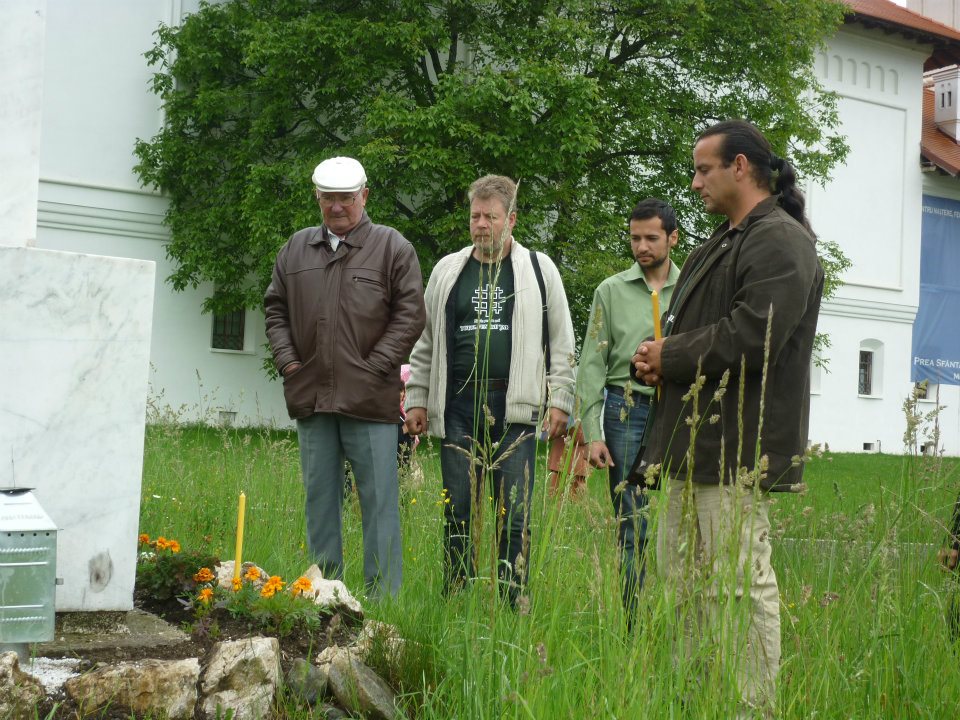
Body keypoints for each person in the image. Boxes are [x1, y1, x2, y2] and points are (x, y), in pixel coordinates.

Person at [630, 120, 824, 716]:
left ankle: (750, 709)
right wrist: (657, 360)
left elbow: (753, 334)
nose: (694, 184)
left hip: (737, 449)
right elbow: (703, 333)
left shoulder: (780, 240)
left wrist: (671, 355)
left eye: (703, 169)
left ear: (740, 167)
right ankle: (694, 704)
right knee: (684, 587)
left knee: (739, 587)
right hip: (694, 446)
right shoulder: (722, 242)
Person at [404, 174, 576, 604]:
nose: (481, 224)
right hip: (458, 406)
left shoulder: (539, 269)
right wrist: (418, 398)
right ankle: (455, 597)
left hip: (516, 408)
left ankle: (513, 601)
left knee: (514, 514)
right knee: (457, 510)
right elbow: (425, 341)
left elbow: (561, 342)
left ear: (511, 219)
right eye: (475, 216)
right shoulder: (447, 271)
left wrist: (560, 400)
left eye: (491, 217)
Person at [264, 156, 426, 598]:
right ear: (317, 198)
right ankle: (325, 594)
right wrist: (290, 364)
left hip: (370, 402)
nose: (337, 207)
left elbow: (410, 315)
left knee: (378, 502)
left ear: (364, 196)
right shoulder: (295, 250)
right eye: (328, 198)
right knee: (319, 500)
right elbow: (275, 309)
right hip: (312, 398)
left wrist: (374, 367)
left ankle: (382, 601)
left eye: (346, 198)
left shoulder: (393, 248)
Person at [575, 198, 681, 621]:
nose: (642, 247)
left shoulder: (692, 287)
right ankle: (633, 618)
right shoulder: (611, 291)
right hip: (626, 409)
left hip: (680, 409)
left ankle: (676, 613)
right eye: (635, 238)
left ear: (672, 238)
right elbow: (591, 363)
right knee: (632, 519)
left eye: (652, 238)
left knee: (682, 511)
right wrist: (592, 433)